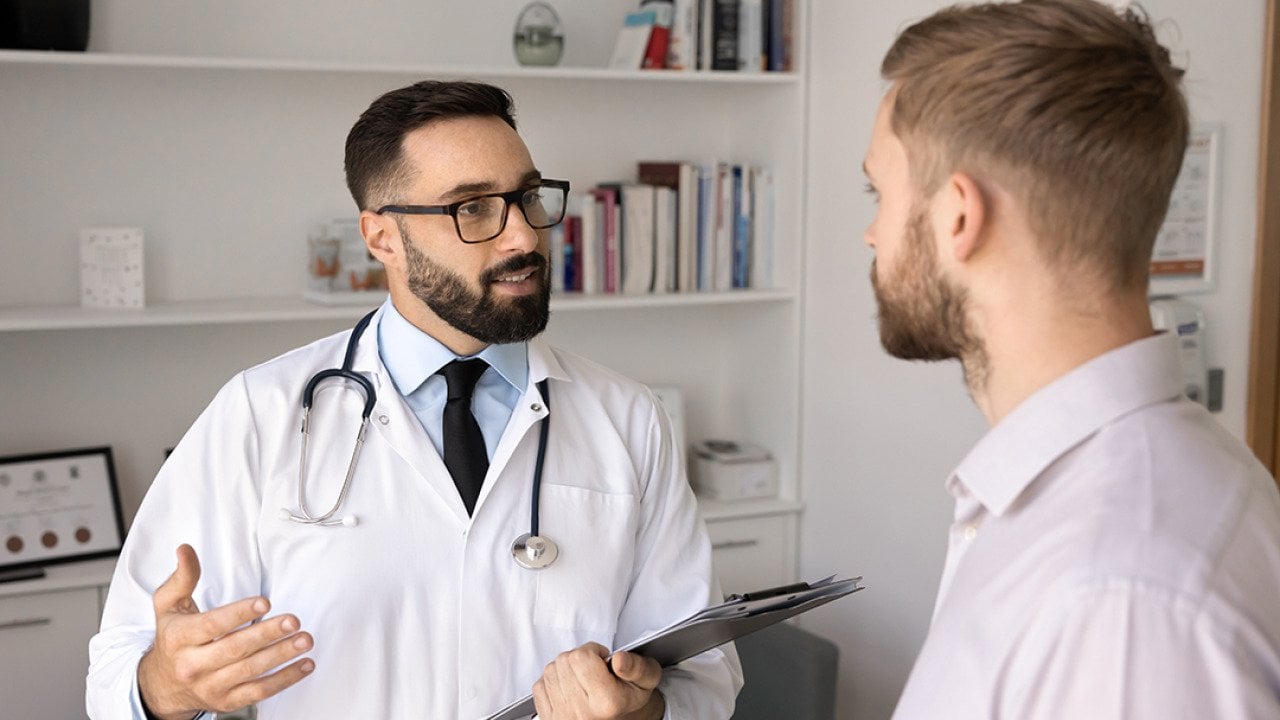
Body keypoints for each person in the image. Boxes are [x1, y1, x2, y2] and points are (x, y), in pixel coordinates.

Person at [87, 80, 741, 719]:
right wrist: (165, 689)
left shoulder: (626, 418)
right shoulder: (262, 414)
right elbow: (116, 680)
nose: (523, 237)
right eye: (473, 208)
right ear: (382, 239)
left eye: (527, 198)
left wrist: (645, 711)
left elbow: (707, 679)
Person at [861, 0, 1280, 717]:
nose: (872, 234)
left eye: (879, 193)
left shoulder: (1124, 602)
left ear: (959, 217)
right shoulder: (1116, 499)